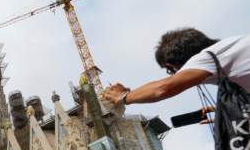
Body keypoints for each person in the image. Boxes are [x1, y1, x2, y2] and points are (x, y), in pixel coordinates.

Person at [102, 29, 250, 112]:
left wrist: (123, 97)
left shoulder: (207, 56)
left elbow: (163, 88)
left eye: (171, 71)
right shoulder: (233, 45)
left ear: (171, 65)